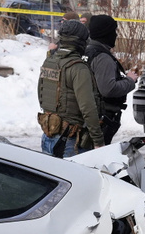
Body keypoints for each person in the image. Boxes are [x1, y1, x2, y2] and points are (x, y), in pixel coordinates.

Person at [37, 20, 104, 158]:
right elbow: (88, 108)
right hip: (69, 141)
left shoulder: (49, 62)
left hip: (49, 135)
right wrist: (98, 141)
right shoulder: (77, 68)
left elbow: (41, 95)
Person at [85, 15, 139, 144]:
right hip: (101, 117)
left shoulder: (87, 51)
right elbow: (108, 89)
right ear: (106, 33)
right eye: (114, 31)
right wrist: (130, 80)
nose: (115, 35)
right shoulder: (102, 57)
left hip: (91, 115)